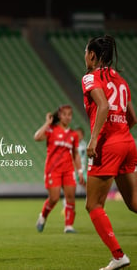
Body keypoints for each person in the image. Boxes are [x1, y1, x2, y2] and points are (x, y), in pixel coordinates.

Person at [82, 34, 137, 270]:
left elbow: (103, 105)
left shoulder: (90, 78)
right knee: (134, 202)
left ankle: (118, 256)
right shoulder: (122, 81)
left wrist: (95, 140)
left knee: (93, 205)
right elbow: (133, 118)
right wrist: (120, 134)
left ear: (92, 55)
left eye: (85, 52)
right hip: (128, 142)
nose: (85, 57)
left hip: (108, 145)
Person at [34, 105, 83, 233]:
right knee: (54, 198)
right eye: (65, 114)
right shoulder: (51, 130)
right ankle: (43, 217)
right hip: (53, 170)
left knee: (70, 197)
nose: (67, 117)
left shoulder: (73, 135)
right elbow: (37, 137)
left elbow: (76, 154)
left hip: (68, 170)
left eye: (70, 114)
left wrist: (80, 171)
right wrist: (47, 123)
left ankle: (68, 226)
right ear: (60, 115)